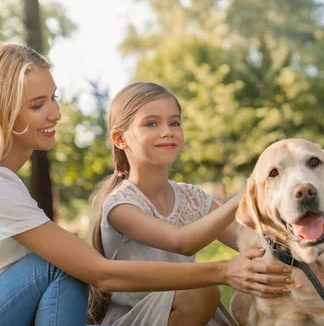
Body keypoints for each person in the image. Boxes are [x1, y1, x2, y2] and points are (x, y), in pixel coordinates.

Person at [0, 42, 291, 326]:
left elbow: (251, 242)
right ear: (0, 111)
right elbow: (101, 273)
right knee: (60, 264)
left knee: (65, 262)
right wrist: (222, 270)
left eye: (53, 98)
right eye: (37, 105)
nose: (56, 113)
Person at [87, 82, 266, 326]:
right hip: (137, 317)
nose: (167, 131)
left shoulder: (192, 198)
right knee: (202, 291)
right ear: (120, 139)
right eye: (151, 123)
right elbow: (181, 242)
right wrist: (244, 195)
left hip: (190, 312)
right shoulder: (121, 205)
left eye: (174, 122)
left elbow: (253, 244)